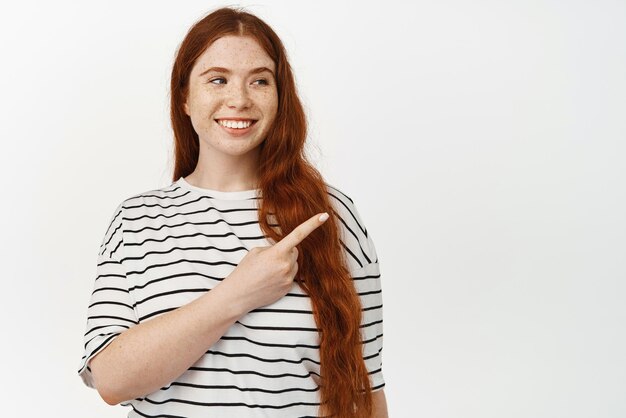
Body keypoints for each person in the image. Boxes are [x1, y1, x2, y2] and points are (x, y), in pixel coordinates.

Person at [78, 6, 388, 418]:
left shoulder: (330, 215)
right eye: (218, 79)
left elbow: (361, 390)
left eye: (259, 81)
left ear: (279, 97)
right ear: (185, 97)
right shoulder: (138, 220)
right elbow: (111, 381)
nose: (239, 99)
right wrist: (238, 294)